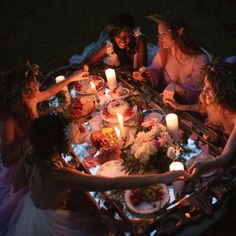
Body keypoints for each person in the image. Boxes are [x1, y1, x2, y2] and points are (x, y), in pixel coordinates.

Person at [7, 113, 189, 235]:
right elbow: (113, 184)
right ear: (57, 145)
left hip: (30, 207)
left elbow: (16, 184)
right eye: (68, 140)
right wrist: (162, 178)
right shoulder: (59, 175)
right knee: (101, 226)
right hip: (52, 221)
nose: (71, 143)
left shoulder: (31, 153)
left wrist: (43, 190)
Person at [0, 63, 86, 234]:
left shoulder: (30, 98)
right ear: (23, 91)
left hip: (40, 151)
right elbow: (7, 159)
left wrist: (73, 77)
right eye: (34, 83)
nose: (38, 85)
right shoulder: (8, 121)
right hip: (25, 167)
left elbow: (49, 92)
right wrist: (26, 147)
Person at [133, 12, 209, 104]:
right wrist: (145, 74)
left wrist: (176, 87)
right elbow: (155, 69)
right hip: (164, 103)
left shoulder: (200, 60)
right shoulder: (164, 52)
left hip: (188, 109)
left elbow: (194, 90)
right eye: (159, 34)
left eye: (164, 34)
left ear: (179, 32)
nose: (160, 39)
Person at [188, 60, 236, 176]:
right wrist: (179, 106)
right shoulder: (209, 99)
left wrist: (207, 165)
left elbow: (227, 155)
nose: (204, 91)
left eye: (210, 88)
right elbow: (201, 109)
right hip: (210, 143)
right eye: (204, 85)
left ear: (224, 92)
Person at [82, 13, 147, 71]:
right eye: (119, 36)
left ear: (133, 34)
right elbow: (89, 61)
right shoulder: (110, 46)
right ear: (114, 35)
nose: (123, 40)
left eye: (127, 36)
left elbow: (142, 69)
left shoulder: (139, 41)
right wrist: (86, 66)